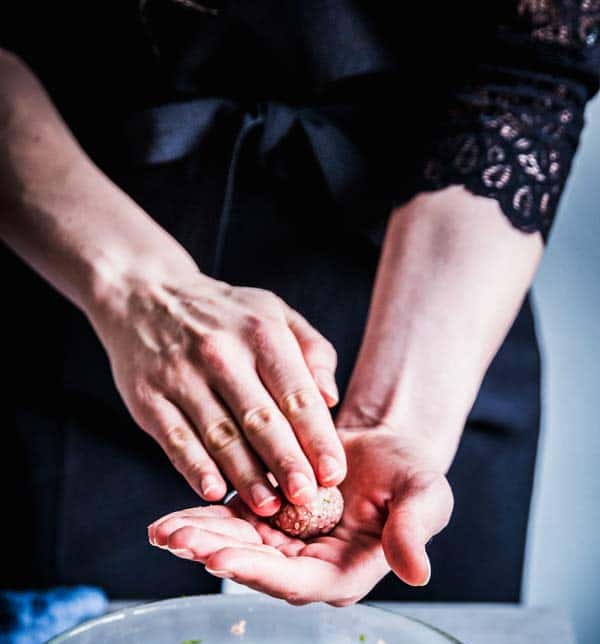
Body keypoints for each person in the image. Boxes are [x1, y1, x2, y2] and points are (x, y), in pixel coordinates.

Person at [1, 2, 598, 604]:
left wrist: (395, 422)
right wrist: (134, 286)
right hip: (77, 267)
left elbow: (531, 76)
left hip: (442, 307)